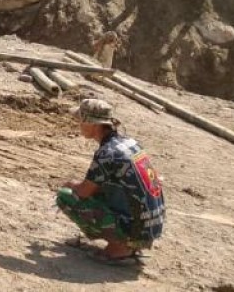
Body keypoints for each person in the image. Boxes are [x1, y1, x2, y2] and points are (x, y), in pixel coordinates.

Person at [56, 98, 165, 265]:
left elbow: (84, 191)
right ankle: (130, 243)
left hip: (136, 228)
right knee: (101, 191)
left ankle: (119, 248)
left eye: (81, 120)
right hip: (152, 225)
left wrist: (70, 184)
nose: (78, 124)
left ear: (94, 124)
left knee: (66, 196)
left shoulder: (107, 153)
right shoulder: (131, 143)